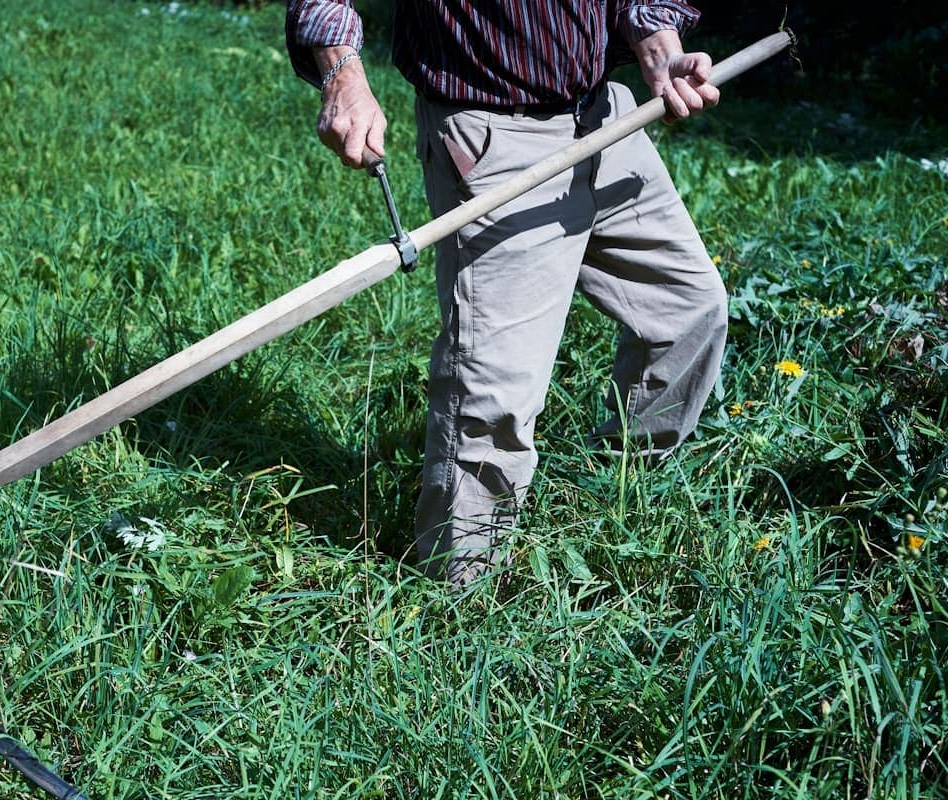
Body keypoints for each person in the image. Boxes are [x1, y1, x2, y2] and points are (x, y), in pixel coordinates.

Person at [285, 1, 727, 586]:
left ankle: (614, 499)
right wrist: (342, 74)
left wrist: (658, 42)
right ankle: (459, 602)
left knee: (689, 309)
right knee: (494, 396)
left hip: (604, 117)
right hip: (496, 135)